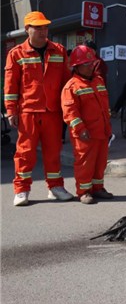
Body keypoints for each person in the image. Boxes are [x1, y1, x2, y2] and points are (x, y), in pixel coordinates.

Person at [4, 11, 74, 206]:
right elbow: (10, 86)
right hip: (28, 111)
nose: (43, 31)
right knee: (25, 153)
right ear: (27, 29)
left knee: (54, 151)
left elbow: (67, 82)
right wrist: (11, 111)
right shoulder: (16, 53)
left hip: (53, 112)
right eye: (38, 28)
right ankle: (21, 190)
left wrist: (69, 108)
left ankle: (55, 187)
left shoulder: (59, 50)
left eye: (45, 27)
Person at [61, 45, 113, 204]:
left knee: (100, 162)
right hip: (85, 134)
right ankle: (83, 191)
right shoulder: (71, 87)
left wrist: (108, 127)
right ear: (77, 66)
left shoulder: (98, 81)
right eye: (87, 64)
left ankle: (97, 188)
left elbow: (105, 107)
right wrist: (80, 129)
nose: (91, 66)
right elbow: (70, 112)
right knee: (85, 164)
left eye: (92, 63)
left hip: (101, 131)